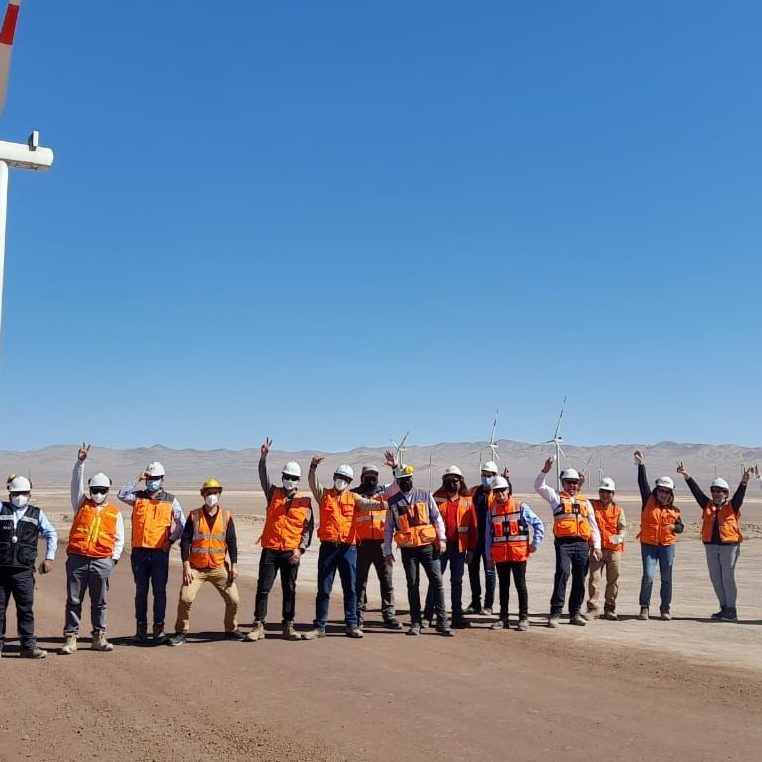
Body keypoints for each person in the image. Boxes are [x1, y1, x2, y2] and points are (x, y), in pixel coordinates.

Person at [303, 458, 390, 640]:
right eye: (338, 477)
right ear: (334, 477)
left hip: (348, 549)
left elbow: (368, 504)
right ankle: (319, 627)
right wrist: (313, 467)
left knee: (350, 588)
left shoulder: (353, 497)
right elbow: (313, 483)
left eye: (345, 479)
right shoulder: (324, 495)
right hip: (328, 548)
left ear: (350, 482)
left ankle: (352, 625)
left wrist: (382, 504)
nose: (341, 481)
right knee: (324, 589)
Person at [246, 438, 314, 642]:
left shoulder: (305, 502)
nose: (289, 480)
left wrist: (300, 549)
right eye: (286, 476)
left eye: (293, 478)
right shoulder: (272, 493)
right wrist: (263, 458)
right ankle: (259, 625)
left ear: (298, 480)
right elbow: (263, 477)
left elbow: (308, 529)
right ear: (282, 477)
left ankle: (288, 626)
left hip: (290, 552)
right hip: (270, 549)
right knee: (263, 588)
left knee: (289, 589)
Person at [61, 444, 124, 655]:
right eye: (94, 490)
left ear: (108, 491)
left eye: (102, 490)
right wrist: (80, 463)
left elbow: (119, 539)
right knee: (74, 601)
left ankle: (99, 636)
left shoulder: (115, 512)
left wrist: (112, 561)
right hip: (77, 559)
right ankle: (71, 637)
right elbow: (75, 484)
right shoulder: (81, 504)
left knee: (100, 602)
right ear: (90, 490)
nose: (97, 494)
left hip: (102, 562)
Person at [382, 453, 452, 637]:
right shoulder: (393, 502)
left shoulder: (425, 495)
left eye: (409, 478)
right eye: (403, 480)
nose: (406, 482)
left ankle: (442, 622)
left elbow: (437, 518)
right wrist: (387, 551)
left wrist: (442, 539)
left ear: (412, 479)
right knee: (413, 584)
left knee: (437, 582)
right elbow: (388, 528)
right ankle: (415, 622)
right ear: (398, 482)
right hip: (408, 549)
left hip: (428, 547)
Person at [168, 479, 245, 645]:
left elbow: (232, 542)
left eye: (215, 493)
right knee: (186, 598)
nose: (212, 496)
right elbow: (185, 542)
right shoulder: (194, 516)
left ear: (219, 494)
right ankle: (181, 632)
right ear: (203, 495)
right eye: (209, 493)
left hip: (218, 566)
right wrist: (186, 566)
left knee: (234, 599)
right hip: (196, 567)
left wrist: (234, 566)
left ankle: (231, 629)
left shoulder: (226, 516)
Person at [118, 461, 186, 643]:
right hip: (139, 553)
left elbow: (182, 524)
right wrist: (137, 480)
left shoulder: (171, 500)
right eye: (150, 478)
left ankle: (158, 630)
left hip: (159, 554)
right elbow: (121, 494)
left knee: (159, 592)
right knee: (141, 592)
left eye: (156, 478)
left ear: (162, 479)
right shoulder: (137, 497)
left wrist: (171, 540)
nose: (152, 481)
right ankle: (141, 631)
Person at [677, 462, 750, 622]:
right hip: (710, 546)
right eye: (714, 491)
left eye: (720, 491)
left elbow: (740, 496)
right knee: (715, 578)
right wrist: (687, 477)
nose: (716, 494)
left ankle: (732, 610)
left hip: (729, 546)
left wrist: (744, 483)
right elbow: (696, 492)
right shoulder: (707, 505)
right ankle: (724, 607)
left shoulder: (732, 506)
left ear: (726, 493)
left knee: (727, 577)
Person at [535, 457, 601, 627]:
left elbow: (593, 525)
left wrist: (596, 546)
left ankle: (575, 613)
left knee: (580, 578)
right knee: (563, 574)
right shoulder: (556, 498)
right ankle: (556, 613)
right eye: (568, 482)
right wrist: (545, 470)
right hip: (564, 544)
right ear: (563, 483)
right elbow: (539, 486)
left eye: (574, 482)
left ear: (578, 483)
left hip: (582, 544)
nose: (572, 485)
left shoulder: (585, 502)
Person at [0, 475, 57, 658]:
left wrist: (49, 558)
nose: (20, 497)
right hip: (1, 570)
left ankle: (28, 647)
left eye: (23, 493)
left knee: (25, 609)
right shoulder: (1, 509)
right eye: (16, 493)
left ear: (30, 495)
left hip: (23, 571)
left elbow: (51, 534)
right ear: (9, 494)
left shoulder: (36, 513)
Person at [485, 476, 544, 631]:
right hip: (500, 556)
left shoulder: (520, 507)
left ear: (508, 490)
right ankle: (503, 618)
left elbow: (538, 524)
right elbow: (488, 536)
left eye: (502, 490)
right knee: (503, 587)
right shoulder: (492, 511)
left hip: (518, 554)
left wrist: (535, 544)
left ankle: (523, 618)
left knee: (520, 585)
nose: (499, 494)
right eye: (496, 491)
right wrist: (489, 557)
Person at [424, 466, 477, 628]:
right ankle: (428, 615)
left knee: (457, 581)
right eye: (447, 481)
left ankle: (456, 617)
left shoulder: (467, 500)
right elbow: (428, 522)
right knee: (435, 580)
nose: (451, 483)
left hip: (459, 548)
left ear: (461, 482)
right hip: (439, 547)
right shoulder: (436, 498)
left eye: (454, 480)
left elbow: (473, 527)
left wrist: (471, 550)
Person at [634, 450, 684, 621]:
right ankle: (644, 607)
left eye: (667, 492)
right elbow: (642, 483)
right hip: (649, 545)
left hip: (667, 546)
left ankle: (665, 608)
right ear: (656, 491)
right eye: (661, 491)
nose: (663, 494)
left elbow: (680, 527)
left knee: (666, 578)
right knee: (648, 576)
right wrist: (641, 465)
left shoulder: (674, 510)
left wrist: (674, 527)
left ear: (671, 494)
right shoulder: (648, 501)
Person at [352, 464, 402, 630]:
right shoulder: (353, 494)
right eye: (367, 477)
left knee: (386, 580)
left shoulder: (385, 493)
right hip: (361, 544)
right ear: (361, 478)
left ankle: (389, 615)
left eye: (374, 477)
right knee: (359, 582)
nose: (371, 480)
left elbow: (399, 484)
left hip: (382, 543)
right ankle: (358, 615)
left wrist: (395, 466)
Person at [586, 477, 626, 621]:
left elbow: (623, 528)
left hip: (614, 550)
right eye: (602, 491)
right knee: (594, 578)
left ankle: (610, 607)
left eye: (608, 492)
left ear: (613, 494)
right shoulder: (592, 506)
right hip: (597, 549)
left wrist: (619, 537)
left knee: (613, 579)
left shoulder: (618, 510)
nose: (605, 494)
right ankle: (593, 608)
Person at [466, 461, 498, 615]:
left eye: (489, 475)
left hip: (490, 540)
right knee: (473, 570)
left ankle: (488, 605)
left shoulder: (497, 493)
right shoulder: (474, 492)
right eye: (483, 475)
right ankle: (475, 602)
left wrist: (506, 480)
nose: (485, 478)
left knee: (489, 571)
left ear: (495, 476)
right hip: (474, 539)